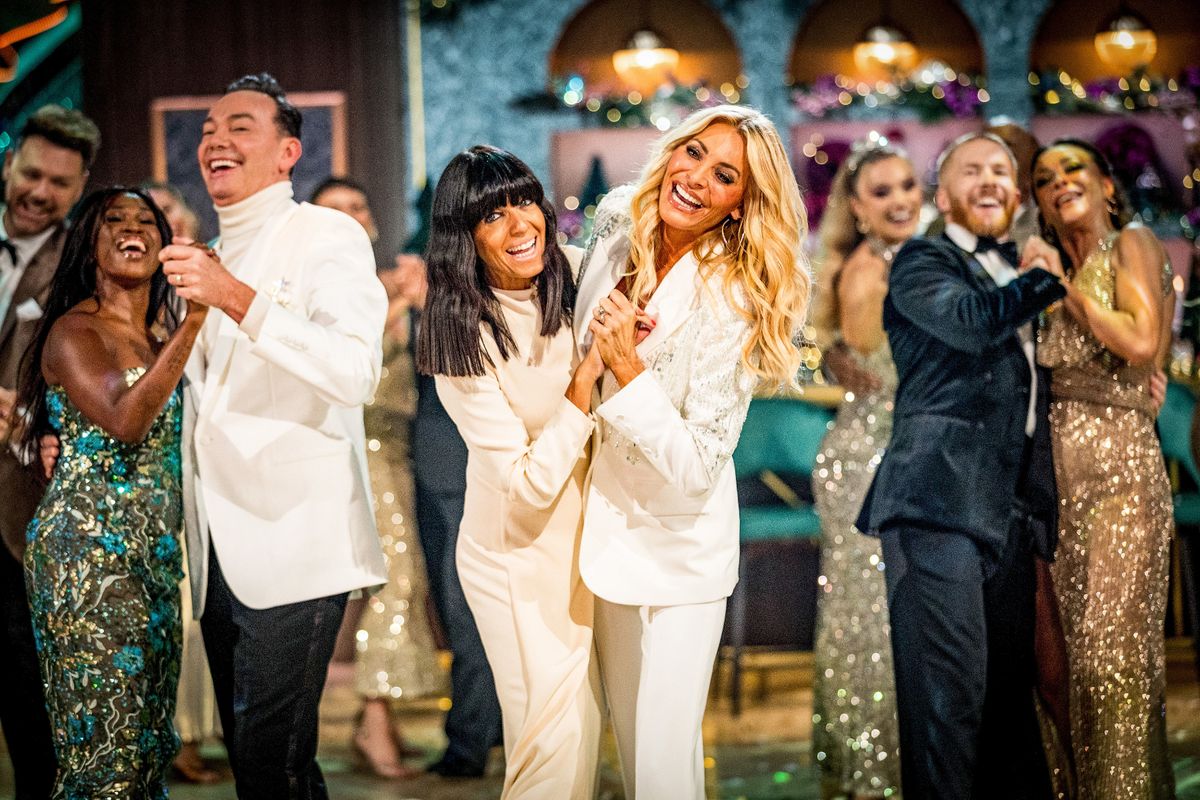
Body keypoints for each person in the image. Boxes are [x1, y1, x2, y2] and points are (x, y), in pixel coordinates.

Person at [159, 73, 389, 798]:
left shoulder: (325, 233)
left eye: (240, 127)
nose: (216, 141)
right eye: (207, 131)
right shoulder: (206, 253)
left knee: (271, 761)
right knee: (258, 767)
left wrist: (233, 297)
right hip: (216, 550)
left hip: (297, 540)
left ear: (288, 152)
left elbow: (354, 372)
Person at [575, 104, 810, 798]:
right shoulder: (616, 227)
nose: (698, 178)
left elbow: (697, 467)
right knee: (631, 749)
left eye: (726, 175)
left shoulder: (732, 294)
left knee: (663, 765)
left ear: (741, 204)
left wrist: (628, 368)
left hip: (679, 554)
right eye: (694, 153)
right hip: (598, 535)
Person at [856, 131, 1066, 799]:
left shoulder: (1015, 268)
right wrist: (1045, 278)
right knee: (948, 707)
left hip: (1010, 511)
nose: (990, 179)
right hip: (938, 502)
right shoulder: (923, 259)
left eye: (1001, 170)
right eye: (971, 170)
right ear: (942, 198)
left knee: (1007, 706)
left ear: (1017, 194)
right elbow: (973, 323)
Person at [418, 145, 605, 799]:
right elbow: (525, 485)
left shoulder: (578, 273)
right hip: (514, 553)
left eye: (525, 201)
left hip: (587, 544)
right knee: (548, 744)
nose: (520, 223)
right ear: (463, 237)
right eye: (492, 215)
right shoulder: (459, 332)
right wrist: (582, 385)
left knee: (583, 735)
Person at [17, 187, 208, 797]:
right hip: (86, 553)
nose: (133, 228)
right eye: (114, 220)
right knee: (108, 752)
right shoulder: (75, 330)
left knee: (149, 744)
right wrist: (197, 318)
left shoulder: (160, 334)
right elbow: (127, 420)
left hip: (155, 556)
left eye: (146, 220)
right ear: (89, 244)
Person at [1031, 138, 1176, 799]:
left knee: (1112, 662)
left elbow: (1141, 341)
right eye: (1044, 179)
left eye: (1073, 168)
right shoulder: (1052, 268)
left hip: (1122, 475)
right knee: (1066, 672)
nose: (1059, 181)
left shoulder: (1132, 243)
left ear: (1108, 186)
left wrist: (1070, 297)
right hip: (1060, 486)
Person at [311, 176, 444, 779]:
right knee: (390, 581)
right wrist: (398, 306)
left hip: (396, 451)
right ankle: (371, 721)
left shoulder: (390, 281)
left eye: (358, 206)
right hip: (348, 453)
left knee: (402, 581)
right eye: (334, 209)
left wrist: (421, 301)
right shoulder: (314, 289)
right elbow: (340, 369)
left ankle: (379, 717)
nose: (350, 216)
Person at [808, 137, 919, 800]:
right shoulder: (875, 271)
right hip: (869, 461)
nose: (901, 200)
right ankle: (878, 770)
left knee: (865, 615)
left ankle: (869, 764)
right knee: (873, 621)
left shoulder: (884, 261)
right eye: (882, 192)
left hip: (874, 451)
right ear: (856, 206)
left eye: (907, 185)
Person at [0, 103, 98, 799]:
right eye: (31, 173)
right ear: (9, 164)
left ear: (80, 186)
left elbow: (95, 377)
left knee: (28, 697)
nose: (40, 191)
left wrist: (29, 415)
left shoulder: (81, 266)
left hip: (19, 507)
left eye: (59, 183)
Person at [138, 179, 225, 786]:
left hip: (202, 457)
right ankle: (163, 735)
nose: (156, 221)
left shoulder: (207, 282)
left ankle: (190, 735)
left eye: (164, 210)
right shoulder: (128, 294)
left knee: (195, 605)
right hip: (150, 456)